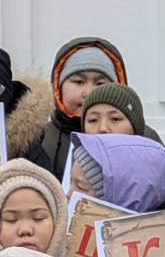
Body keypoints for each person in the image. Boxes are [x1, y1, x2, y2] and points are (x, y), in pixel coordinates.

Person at [10, 36, 129, 179]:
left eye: (100, 84)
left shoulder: (141, 138)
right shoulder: (34, 141)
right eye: (79, 82)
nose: (88, 93)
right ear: (58, 88)